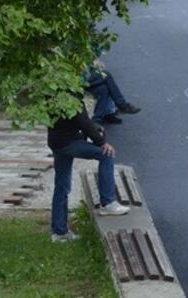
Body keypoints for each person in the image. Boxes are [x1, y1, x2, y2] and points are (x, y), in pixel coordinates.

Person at [48, 98, 130, 242]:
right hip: (69, 142)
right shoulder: (70, 92)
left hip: (57, 143)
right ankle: (108, 203)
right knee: (106, 155)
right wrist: (102, 142)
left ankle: (59, 232)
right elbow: (83, 121)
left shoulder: (51, 91)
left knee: (62, 186)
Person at [83, 60, 140, 125]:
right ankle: (121, 104)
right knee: (106, 75)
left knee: (103, 89)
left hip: (86, 77)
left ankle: (97, 119)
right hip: (80, 80)